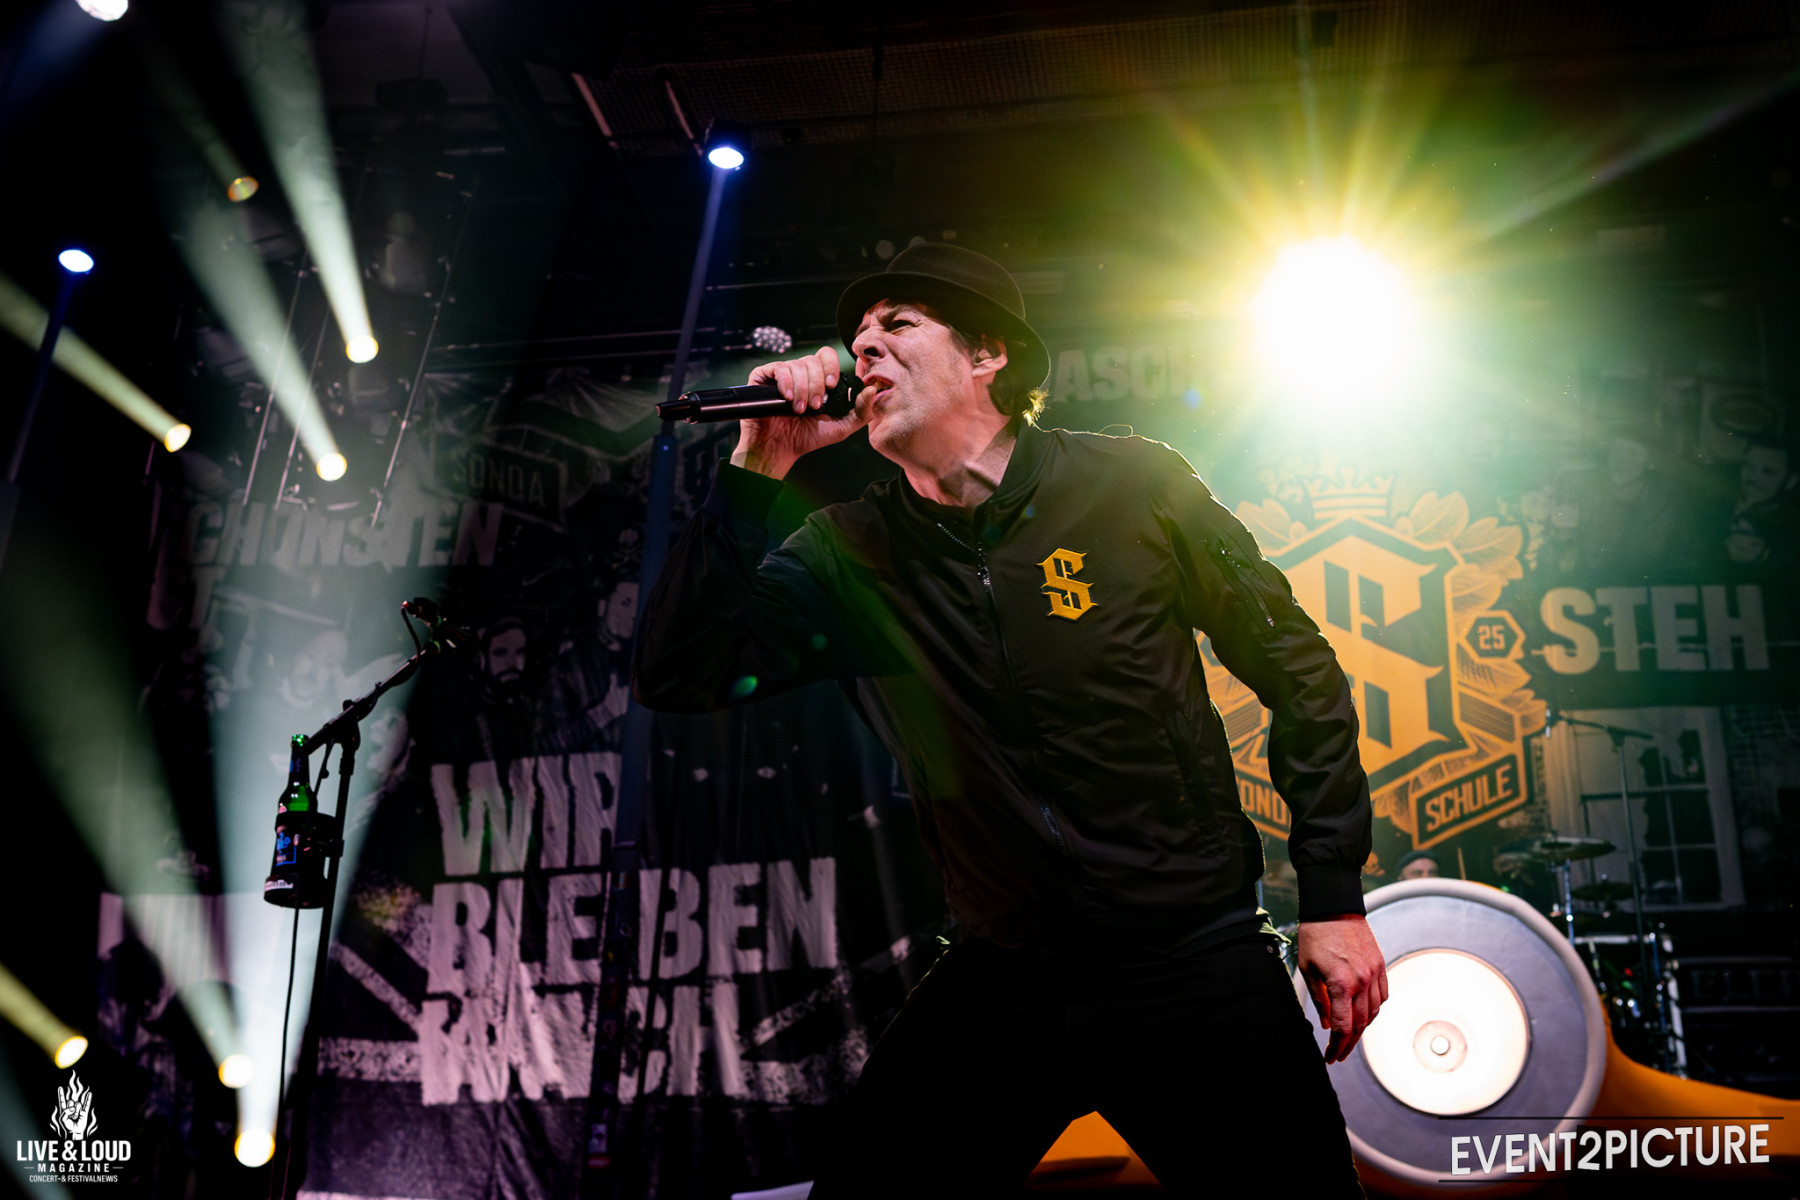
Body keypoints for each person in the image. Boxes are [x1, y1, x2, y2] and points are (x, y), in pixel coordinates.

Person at [633, 243, 1386, 1196]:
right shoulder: (846, 553)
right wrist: (759, 464)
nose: (864, 349)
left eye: (897, 326)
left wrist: (1333, 896)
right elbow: (680, 671)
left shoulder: (1134, 487)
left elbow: (1298, 668)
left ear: (988, 353)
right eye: (856, 338)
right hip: (1005, 980)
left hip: (1192, 962)